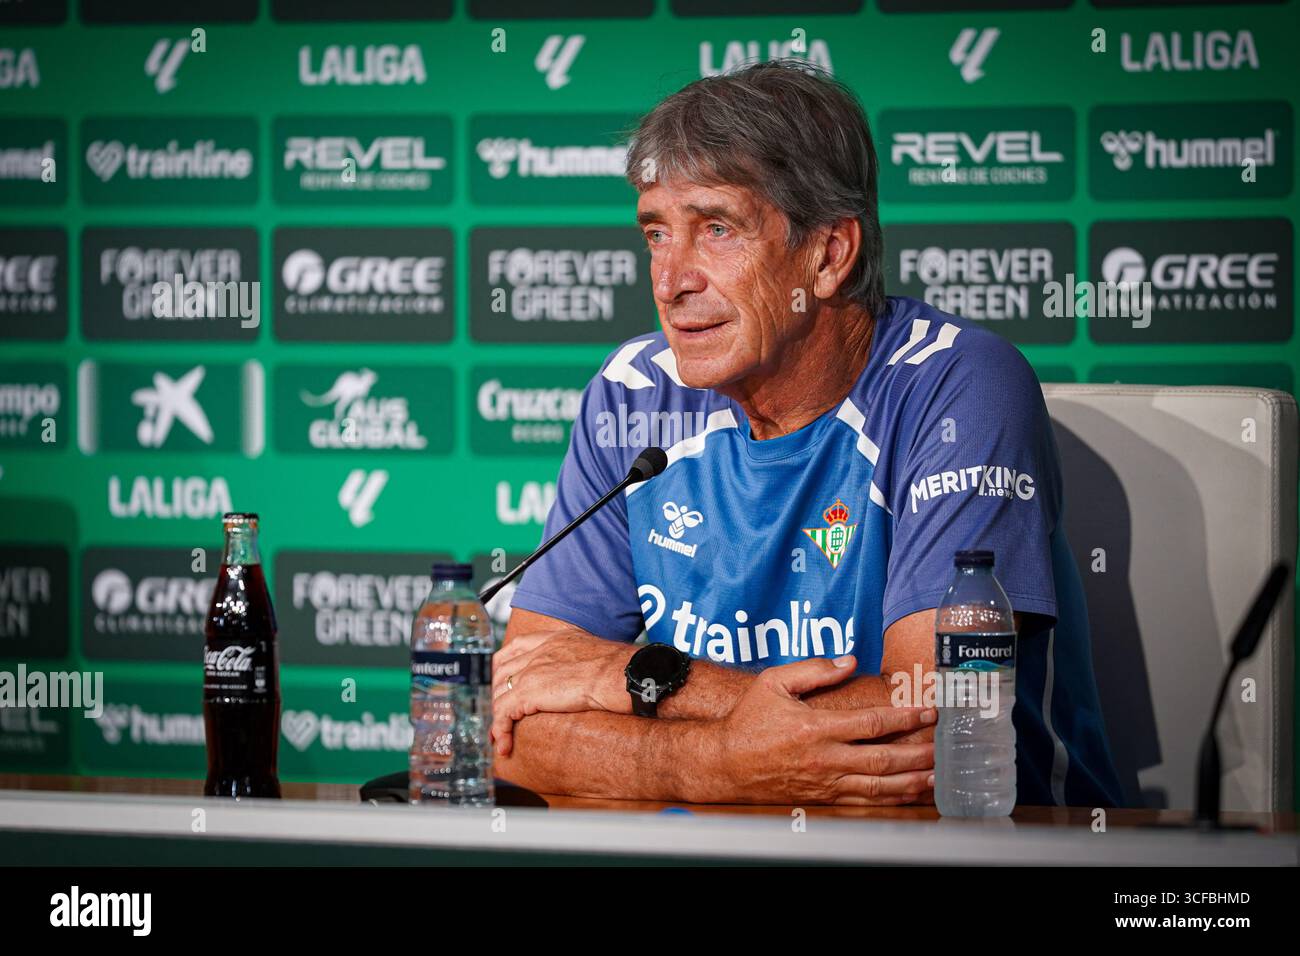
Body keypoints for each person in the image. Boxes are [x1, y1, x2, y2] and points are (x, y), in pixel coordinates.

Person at [492, 59, 1123, 808]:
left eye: (716, 228)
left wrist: (632, 680)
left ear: (828, 254)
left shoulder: (959, 385)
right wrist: (714, 764)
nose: (670, 281)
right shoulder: (634, 394)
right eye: (657, 234)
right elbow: (512, 732)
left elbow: (934, 730)